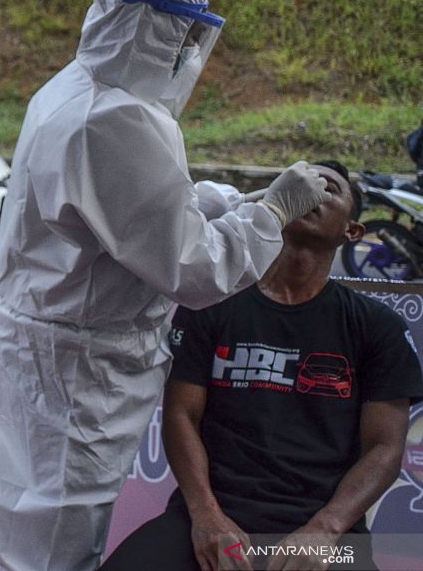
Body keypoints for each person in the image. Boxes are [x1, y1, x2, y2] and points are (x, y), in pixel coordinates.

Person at [0, 0, 333, 571]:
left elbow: (120, 213)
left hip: (49, 350)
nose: (186, 54)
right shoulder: (115, 118)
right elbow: (196, 271)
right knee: (55, 547)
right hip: (78, 366)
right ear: (154, 30)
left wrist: (232, 202)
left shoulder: (74, 88)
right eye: (181, 36)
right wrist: (272, 213)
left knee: (36, 531)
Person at [101, 161, 423, 571]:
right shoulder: (210, 304)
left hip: (332, 534)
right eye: (302, 184)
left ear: (352, 232)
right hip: (210, 518)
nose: (313, 192)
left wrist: (325, 530)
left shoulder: (379, 327)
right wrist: (206, 517)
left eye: (330, 189)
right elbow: (182, 414)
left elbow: (385, 447)